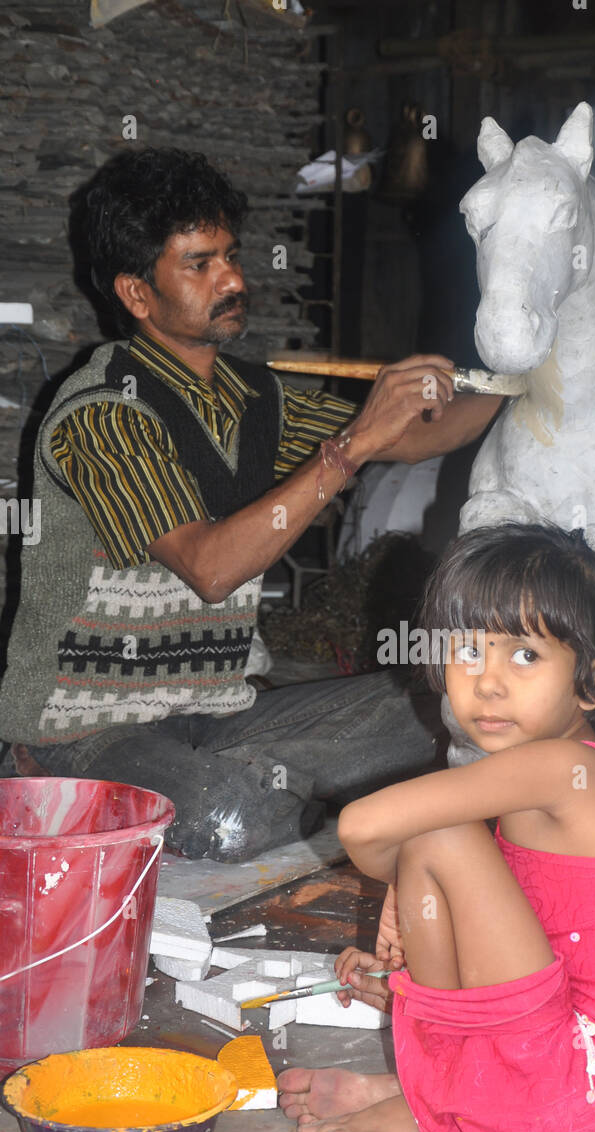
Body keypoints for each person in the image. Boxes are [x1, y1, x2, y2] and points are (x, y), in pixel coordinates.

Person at [0, 147, 504, 859]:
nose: (233, 279)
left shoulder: (253, 398)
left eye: (231, 256)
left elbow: (419, 439)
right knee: (232, 818)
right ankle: (289, 803)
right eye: (199, 264)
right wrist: (352, 445)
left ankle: (282, 796)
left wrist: (532, 383)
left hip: (216, 716)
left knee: (447, 709)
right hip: (86, 737)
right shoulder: (102, 413)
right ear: (137, 295)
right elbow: (210, 567)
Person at [278, 522, 595, 1132]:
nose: (487, 683)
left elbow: (360, 827)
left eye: (524, 656)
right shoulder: (556, 768)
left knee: (437, 835)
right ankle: (439, 1093)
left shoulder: (562, 770)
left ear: (592, 682)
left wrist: (408, 875)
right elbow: (529, 936)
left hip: (575, 1093)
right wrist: (410, 926)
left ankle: (441, 1112)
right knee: (434, 841)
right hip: (592, 1084)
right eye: (467, 651)